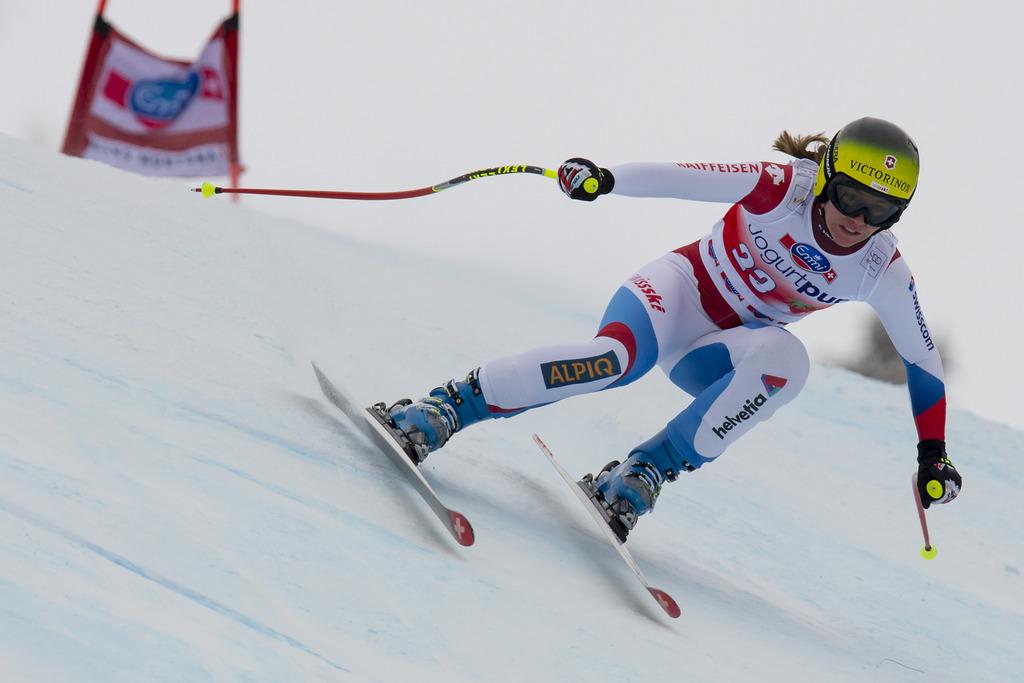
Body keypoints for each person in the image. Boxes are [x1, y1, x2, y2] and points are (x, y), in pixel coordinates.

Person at [380, 117, 962, 542]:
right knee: (612, 362)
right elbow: (682, 177)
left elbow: (920, 360)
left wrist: (932, 453)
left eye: (880, 211)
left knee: (789, 364)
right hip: (676, 296)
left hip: (715, 353)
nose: (857, 219)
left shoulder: (877, 268)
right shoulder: (782, 187)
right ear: (827, 176)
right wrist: (604, 178)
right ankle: (445, 408)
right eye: (849, 195)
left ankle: (644, 471)